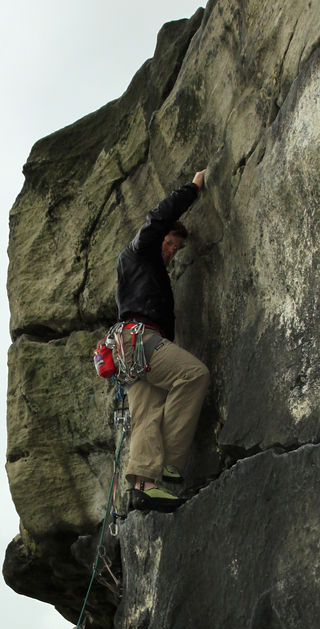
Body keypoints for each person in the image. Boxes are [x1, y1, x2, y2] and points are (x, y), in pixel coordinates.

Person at [115, 170, 210, 512]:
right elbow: (158, 218)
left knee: (148, 414)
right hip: (140, 340)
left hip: (129, 351)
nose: (171, 250)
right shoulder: (139, 251)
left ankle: (143, 485)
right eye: (168, 243)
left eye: (176, 248)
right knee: (194, 375)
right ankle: (169, 464)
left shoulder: (144, 269)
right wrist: (193, 188)